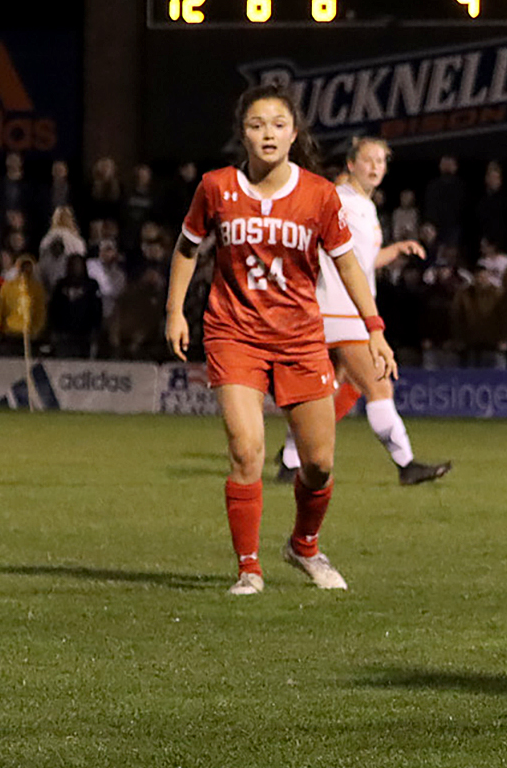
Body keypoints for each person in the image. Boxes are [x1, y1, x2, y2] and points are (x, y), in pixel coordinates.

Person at [164, 84, 398, 595]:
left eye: (277, 124)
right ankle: (249, 569)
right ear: (242, 134)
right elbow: (186, 248)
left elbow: (349, 265)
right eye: (256, 124)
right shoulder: (215, 188)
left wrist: (374, 328)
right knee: (247, 450)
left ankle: (303, 545)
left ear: (294, 134)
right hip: (233, 333)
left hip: (299, 337)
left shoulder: (318, 194)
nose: (267, 133)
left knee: (318, 464)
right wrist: (175, 310)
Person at [271, 137, 450, 487]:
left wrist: (396, 249)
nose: (375, 167)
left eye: (381, 161)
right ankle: (406, 464)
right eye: (368, 160)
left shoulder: (364, 206)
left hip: (334, 311)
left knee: (320, 393)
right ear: (350, 164)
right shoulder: (340, 199)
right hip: (344, 312)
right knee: (379, 386)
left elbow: (360, 263)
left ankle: (290, 464)